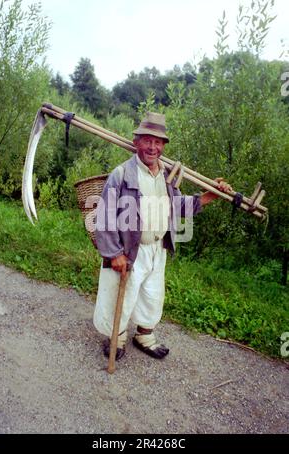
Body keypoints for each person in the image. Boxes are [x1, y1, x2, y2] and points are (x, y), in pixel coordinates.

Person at [93, 112, 231, 360]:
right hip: (128, 251)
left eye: (158, 142)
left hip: (158, 248)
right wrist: (114, 253)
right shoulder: (122, 174)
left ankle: (144, 336)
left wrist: (209, 197)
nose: (152, 147)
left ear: (164, 146)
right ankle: (117, 336)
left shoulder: (168, 176)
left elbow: (178, 206)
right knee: (120, 297)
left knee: (152, 295)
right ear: (136, 142)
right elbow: (104, 216)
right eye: (147, 140)